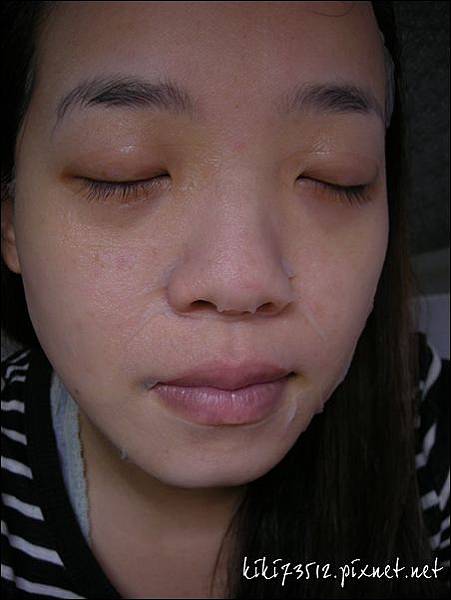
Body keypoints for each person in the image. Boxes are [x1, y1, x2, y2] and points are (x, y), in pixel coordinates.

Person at [1, 1, 449, 598]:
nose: (240, 282)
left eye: (335, 174)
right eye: (123, 169)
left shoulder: (425, 424)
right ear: (11, 219)